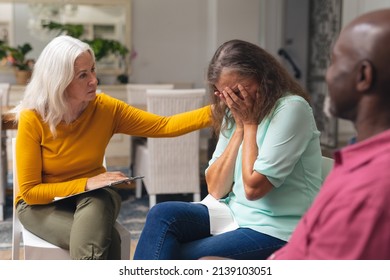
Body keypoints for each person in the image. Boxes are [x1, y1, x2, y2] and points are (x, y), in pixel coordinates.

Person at [13, 35, 212, 260]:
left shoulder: (106, 109)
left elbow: (164, 125)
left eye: (93, 70)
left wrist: (216, 111)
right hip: (41, 205)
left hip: (96, 196)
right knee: (108, 240)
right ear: (59, 80)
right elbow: (30, 193)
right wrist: (86, 183)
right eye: (83, 75)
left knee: (97, 201)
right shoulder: (33, 118)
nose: (94, 81)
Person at [133, 39, 323, 260]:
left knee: (178, 255)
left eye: (238, 91)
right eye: (225, 94)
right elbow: (215, 189)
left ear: (263, 77)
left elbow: (254, 189)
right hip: (233, 214)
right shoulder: (235, 111)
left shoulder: (291, 109)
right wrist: (240, 128)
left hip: (278, 228)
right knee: (162, 214)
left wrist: (251, 124)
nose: (233, 101)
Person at [267, 8, 390, 260]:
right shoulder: (359, 158)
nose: (327, 73)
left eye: (333, 61)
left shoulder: (368, 190)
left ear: (363, 76)